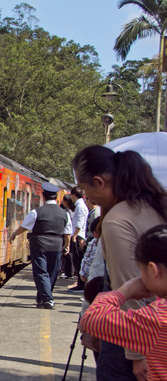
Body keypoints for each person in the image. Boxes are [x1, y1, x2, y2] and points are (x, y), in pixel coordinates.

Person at [72, 145, 167, 381]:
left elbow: (128, 283)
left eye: (85, 189)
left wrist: (137, 355)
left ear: (100, 182)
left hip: (131, 339)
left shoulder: (117, 219)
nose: (86, 197)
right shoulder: (158, 203)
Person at [80, 225, 167, 381]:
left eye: (141, 271)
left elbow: (91, 318)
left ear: (153, 270)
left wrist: (124, 290)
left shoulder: (154, 319)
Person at [9, 182, 72, 309]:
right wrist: (67, 245)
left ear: (43, 197)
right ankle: (43, 297)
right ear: (55, 197)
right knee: (52, 272)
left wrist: (14, 234)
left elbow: (24, 226)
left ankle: (47, 298)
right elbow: (67, 232)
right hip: (56, 245)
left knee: (41, 272)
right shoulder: (65, 214)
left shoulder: (36, 212)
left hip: (39, 245)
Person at [68, 186, 88, 292]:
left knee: (78, 260)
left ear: (74, 195)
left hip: (78, 235)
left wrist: (75, 236)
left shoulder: (80, 207)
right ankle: (80, 283)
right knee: (77, 261)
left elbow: (79, 223)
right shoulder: (81, 205)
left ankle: (81, 285)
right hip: (79, 235)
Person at [60, 194, 75, 279]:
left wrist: (67, 243)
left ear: (65, 202)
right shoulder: (72, 211)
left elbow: (68, 228)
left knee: (67, 255)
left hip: (70, 235)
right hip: (71, 235)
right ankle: (69, 272)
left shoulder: (68, 212)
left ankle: (68, 272)